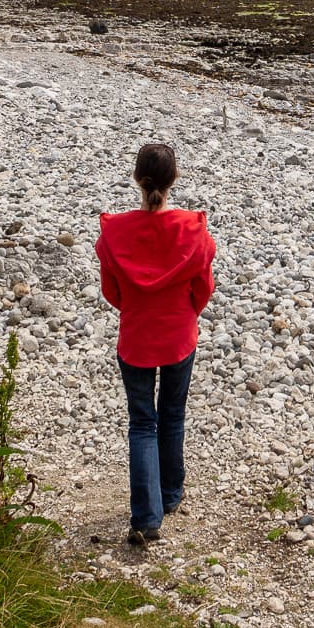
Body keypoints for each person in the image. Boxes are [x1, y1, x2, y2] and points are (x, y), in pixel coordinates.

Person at [96, 143, 215, 547]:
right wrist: (186, 313)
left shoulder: (114, 234)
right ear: (174, 179)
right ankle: (170, 494)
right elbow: (204, 288)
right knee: (173, 415)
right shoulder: (194, 231)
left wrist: (138, 308)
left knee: (142, 422)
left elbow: (112, 292)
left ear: (137, 179)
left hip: (136, 338)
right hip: (179, 334)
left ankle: (146, 518)